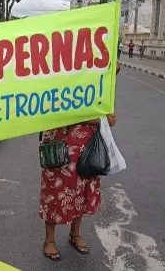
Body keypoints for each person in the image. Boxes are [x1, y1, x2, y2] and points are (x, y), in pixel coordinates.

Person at [40, 63, 120, 261]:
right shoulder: (54, 71)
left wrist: (106, 118)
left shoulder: (91, 74)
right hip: (59, 140)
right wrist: (99, 120)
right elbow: (59, 108)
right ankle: (49, 239)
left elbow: (112, 69)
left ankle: (75, 233)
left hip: (86, 144)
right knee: (55, 191)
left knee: (82, 188)